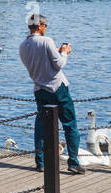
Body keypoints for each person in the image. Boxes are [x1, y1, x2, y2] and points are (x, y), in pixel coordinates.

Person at [18, 14, 86, 173]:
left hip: (40, 89)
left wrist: (55, 51)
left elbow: (38, 59)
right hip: (58, 88)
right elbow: (59, 64)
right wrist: (64, 52)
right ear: (40, 25)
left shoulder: (23, 46)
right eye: (45, 25)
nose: (46, 28)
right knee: (70, 124)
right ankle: (73, 162)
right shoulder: (46, 40)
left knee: (41, 126)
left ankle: (40, 163)